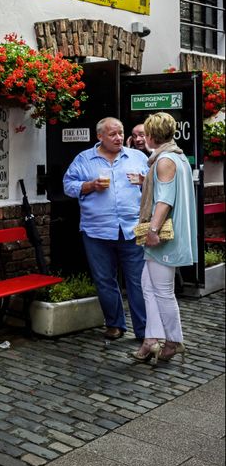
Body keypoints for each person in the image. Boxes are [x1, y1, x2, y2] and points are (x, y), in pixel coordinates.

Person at [63, 117, 149, 342]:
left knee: (138, 280)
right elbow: (67, 185)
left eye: (121, 133)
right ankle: (114, 324)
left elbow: (157, 183)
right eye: (113, 134)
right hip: (96, 230)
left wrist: (144, 181)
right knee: (104, 280)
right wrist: (90, 186)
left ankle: (144, 330)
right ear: (100, 136)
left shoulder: (138, 157)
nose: (119, 137)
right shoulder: (83, 159)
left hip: (132, 228)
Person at [131, 113, 197, 364]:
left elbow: (165, 199)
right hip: (168, 234)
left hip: (165, 237)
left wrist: (153, 230)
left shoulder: (164, 160)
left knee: (162, 291)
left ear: (150, 135)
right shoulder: (176, 156)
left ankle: (173, 340)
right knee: (148, 286)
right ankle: (151, 339)